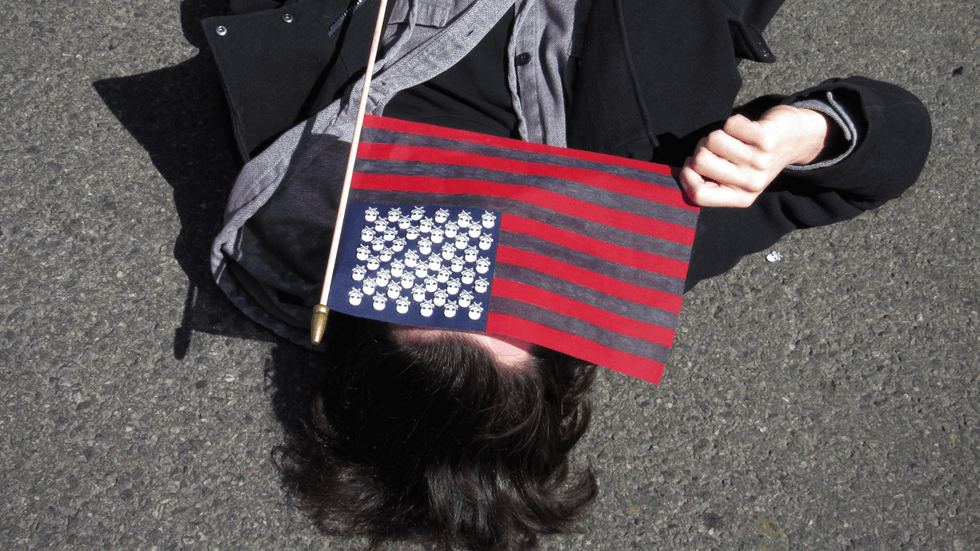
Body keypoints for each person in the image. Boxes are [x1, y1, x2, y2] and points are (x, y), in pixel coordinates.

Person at [201, 0, 931, 549]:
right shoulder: (633, 238)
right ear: (565, 335)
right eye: (513, 287)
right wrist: (805, 133)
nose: (478, 242)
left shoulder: (300, 163)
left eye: (435, 277)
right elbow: (897, 144)